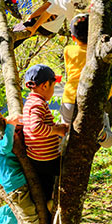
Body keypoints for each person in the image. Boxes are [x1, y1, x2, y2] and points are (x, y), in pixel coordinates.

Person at [61, 13, 112, 148]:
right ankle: (101, 134)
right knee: (110, 141)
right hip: (94, 101)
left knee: (65, 129)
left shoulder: (68, 50)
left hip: (70, 98)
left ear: (73, 37)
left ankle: (62, 143)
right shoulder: (103, 54)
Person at [22, 64, 68, 205]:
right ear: (44, 86)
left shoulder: (31, 102)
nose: (54, 91)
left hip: (37, 156)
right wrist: (57, 130)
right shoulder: (37, 104)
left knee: (46, 183)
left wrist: (56, 127)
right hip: (45, 157)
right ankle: (51, 201)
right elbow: (36, 128)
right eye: (53, 86)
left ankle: (49, 200)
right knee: (62, 175)